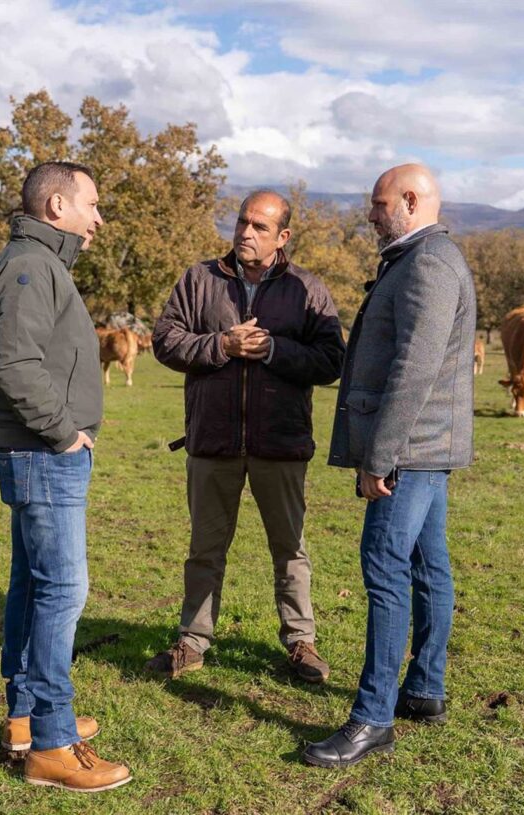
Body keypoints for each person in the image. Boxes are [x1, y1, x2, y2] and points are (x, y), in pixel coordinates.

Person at [303, 164, 477, 768]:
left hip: (411, 449)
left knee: (384, 569)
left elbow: (415, 368)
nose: (370, 215)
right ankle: (425, 688)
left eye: (378, 205)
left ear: (410, 200)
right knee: (430, 564)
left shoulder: (428, 262)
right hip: (428, 447)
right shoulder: (422, 256)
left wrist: (380, 455)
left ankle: (373, 717)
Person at [147, 190, 346, 683]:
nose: (245, 233)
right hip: (212, 442)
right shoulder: (200, 280)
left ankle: (301, 642)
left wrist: (275, 350)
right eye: (242, 222)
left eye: (259, 227)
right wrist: (221, 345)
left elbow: (331, 360)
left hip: (281, 444)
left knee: (290, 549)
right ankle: (192, 641)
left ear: (283, 237)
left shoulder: (307, 288)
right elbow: (164, 340)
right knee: (205, 548)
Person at [0, 161, 131, 792]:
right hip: (46, 454)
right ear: (57, 205)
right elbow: (13, 364)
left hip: (42, 453)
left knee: (33, 586)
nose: (98, 218)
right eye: (92, 205)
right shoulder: (30, 267)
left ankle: (27, 716)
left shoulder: (41, 264)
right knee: (62, 592)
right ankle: (51, 741)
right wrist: (65, 433)